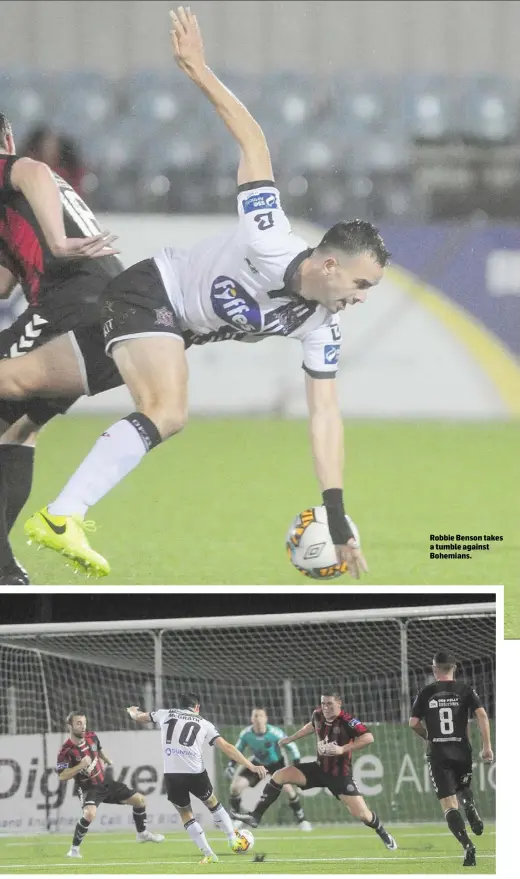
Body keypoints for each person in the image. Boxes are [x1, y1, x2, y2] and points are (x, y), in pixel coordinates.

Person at [0, 7, 390, 581]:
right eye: (361, 284)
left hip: (164, 326)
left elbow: (324, 414)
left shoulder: (319, 325)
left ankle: (38, 535)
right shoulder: (270, 238)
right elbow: (254, 140)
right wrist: (199, 70)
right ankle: (63, 515)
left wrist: (334, 512)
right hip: (148, 292)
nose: (362, 298)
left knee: (18, 389)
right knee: (168, 410)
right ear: (330, 264)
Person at [0, 111, 121, 584]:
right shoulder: (13, 207)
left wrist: (58, 241)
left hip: (71, 301)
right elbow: (5, 283)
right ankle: (5, 573)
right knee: (17, 429)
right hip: (105, 309)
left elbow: (32, 168)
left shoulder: (17, 171)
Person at [231, 691, 397, 851]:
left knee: (363, 815)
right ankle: (256, 815)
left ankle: (382, 832)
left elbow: (368, 738)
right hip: (318, 768)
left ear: (339, 703)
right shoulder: (318, 715)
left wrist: (342, 749)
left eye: (329, 703)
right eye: (323, 703)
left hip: (340, 775)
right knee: (279, 775)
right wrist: (291, 738)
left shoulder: (348, 721)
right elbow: (310, 726)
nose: (325, 707)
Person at [127, 692, 267, 864]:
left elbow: (140, 717)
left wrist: (133, 711)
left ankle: (208, 853)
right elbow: (227, 747)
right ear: (197, 708)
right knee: (213, 804)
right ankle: (232, 838)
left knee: (186, 813)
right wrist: (251, 766)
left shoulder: (165, 713)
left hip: (173, 774)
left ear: (180, 706)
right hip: (196, 773)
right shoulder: (203, 723)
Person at [409, 650, 494, 869]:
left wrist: (428, 735)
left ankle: (468, 846)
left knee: (448, 804)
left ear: (435, 669)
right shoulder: (465, 690)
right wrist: (487, 747)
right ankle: (470, 805)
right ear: (454, 668)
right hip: (461, 748)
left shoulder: (426, 692)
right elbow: (482, 715)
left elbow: (412, 722)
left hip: (438, 751)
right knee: (463, 787)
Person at [56, 711, 164, 858]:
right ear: (70, 726)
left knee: (140, 800)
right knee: (89, 814)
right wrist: (80, 765)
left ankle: (142, 833)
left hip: (104, 782)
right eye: (78, 723)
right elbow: (62, 776)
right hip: (88, 788)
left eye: (84, 722)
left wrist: (106, 759)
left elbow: (98, 750)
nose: (83, 726)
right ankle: (74, 850)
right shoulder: (66, 751)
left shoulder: (92, 736)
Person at [226, 707, 311, 831]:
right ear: (251, 719)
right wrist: (231, 765)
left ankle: (302, 820)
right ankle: (235, 820)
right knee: (235, 788)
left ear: (266, 719)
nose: (258, 719)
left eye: (261, 716)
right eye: (255, 716)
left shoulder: (275, 733)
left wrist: (297, 763)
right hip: (258, 764)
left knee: (289, 790)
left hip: (277, 764)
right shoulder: (246, 734)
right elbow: (237, 750)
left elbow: (292, 747)